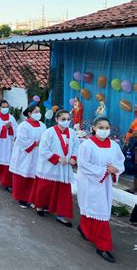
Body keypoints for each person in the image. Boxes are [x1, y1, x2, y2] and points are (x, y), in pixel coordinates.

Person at [76, 117, 125, 263]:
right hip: (90, 182)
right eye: (101, 127)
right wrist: (105, 170)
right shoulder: (87, 145)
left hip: (105, 182)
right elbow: (83, 165)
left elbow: (120, 161)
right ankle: (103, 246)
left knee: (95, 210)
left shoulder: (114, 146)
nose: (104, 130)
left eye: (107, 127)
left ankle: (84, 228)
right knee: (99, 211)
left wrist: (115, 169)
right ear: (93, 128)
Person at [29, 109, 79, 227]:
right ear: (56, 119)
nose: (66, 122)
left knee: (63, 191)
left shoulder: (72, 133)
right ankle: (40, 206)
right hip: (50, 166)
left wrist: (73, 157)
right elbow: (43, 149)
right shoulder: (49, 132)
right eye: (63, 119)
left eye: (68, 119)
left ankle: (61, 214)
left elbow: (77, 147)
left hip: (64, 167)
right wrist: (56, 158)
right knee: (45, 188)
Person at [9, 105, 46, 208]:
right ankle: (22, 198)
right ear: (29, 114)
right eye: (36, 111)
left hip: (37, 154)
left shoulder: (42, 125)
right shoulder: (23, 126)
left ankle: (32, 197)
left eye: (39, 111)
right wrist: (35, 144)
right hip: (25, 154)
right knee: (23, 176)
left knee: (34, 176)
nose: (39, 113)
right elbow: (21, 140)